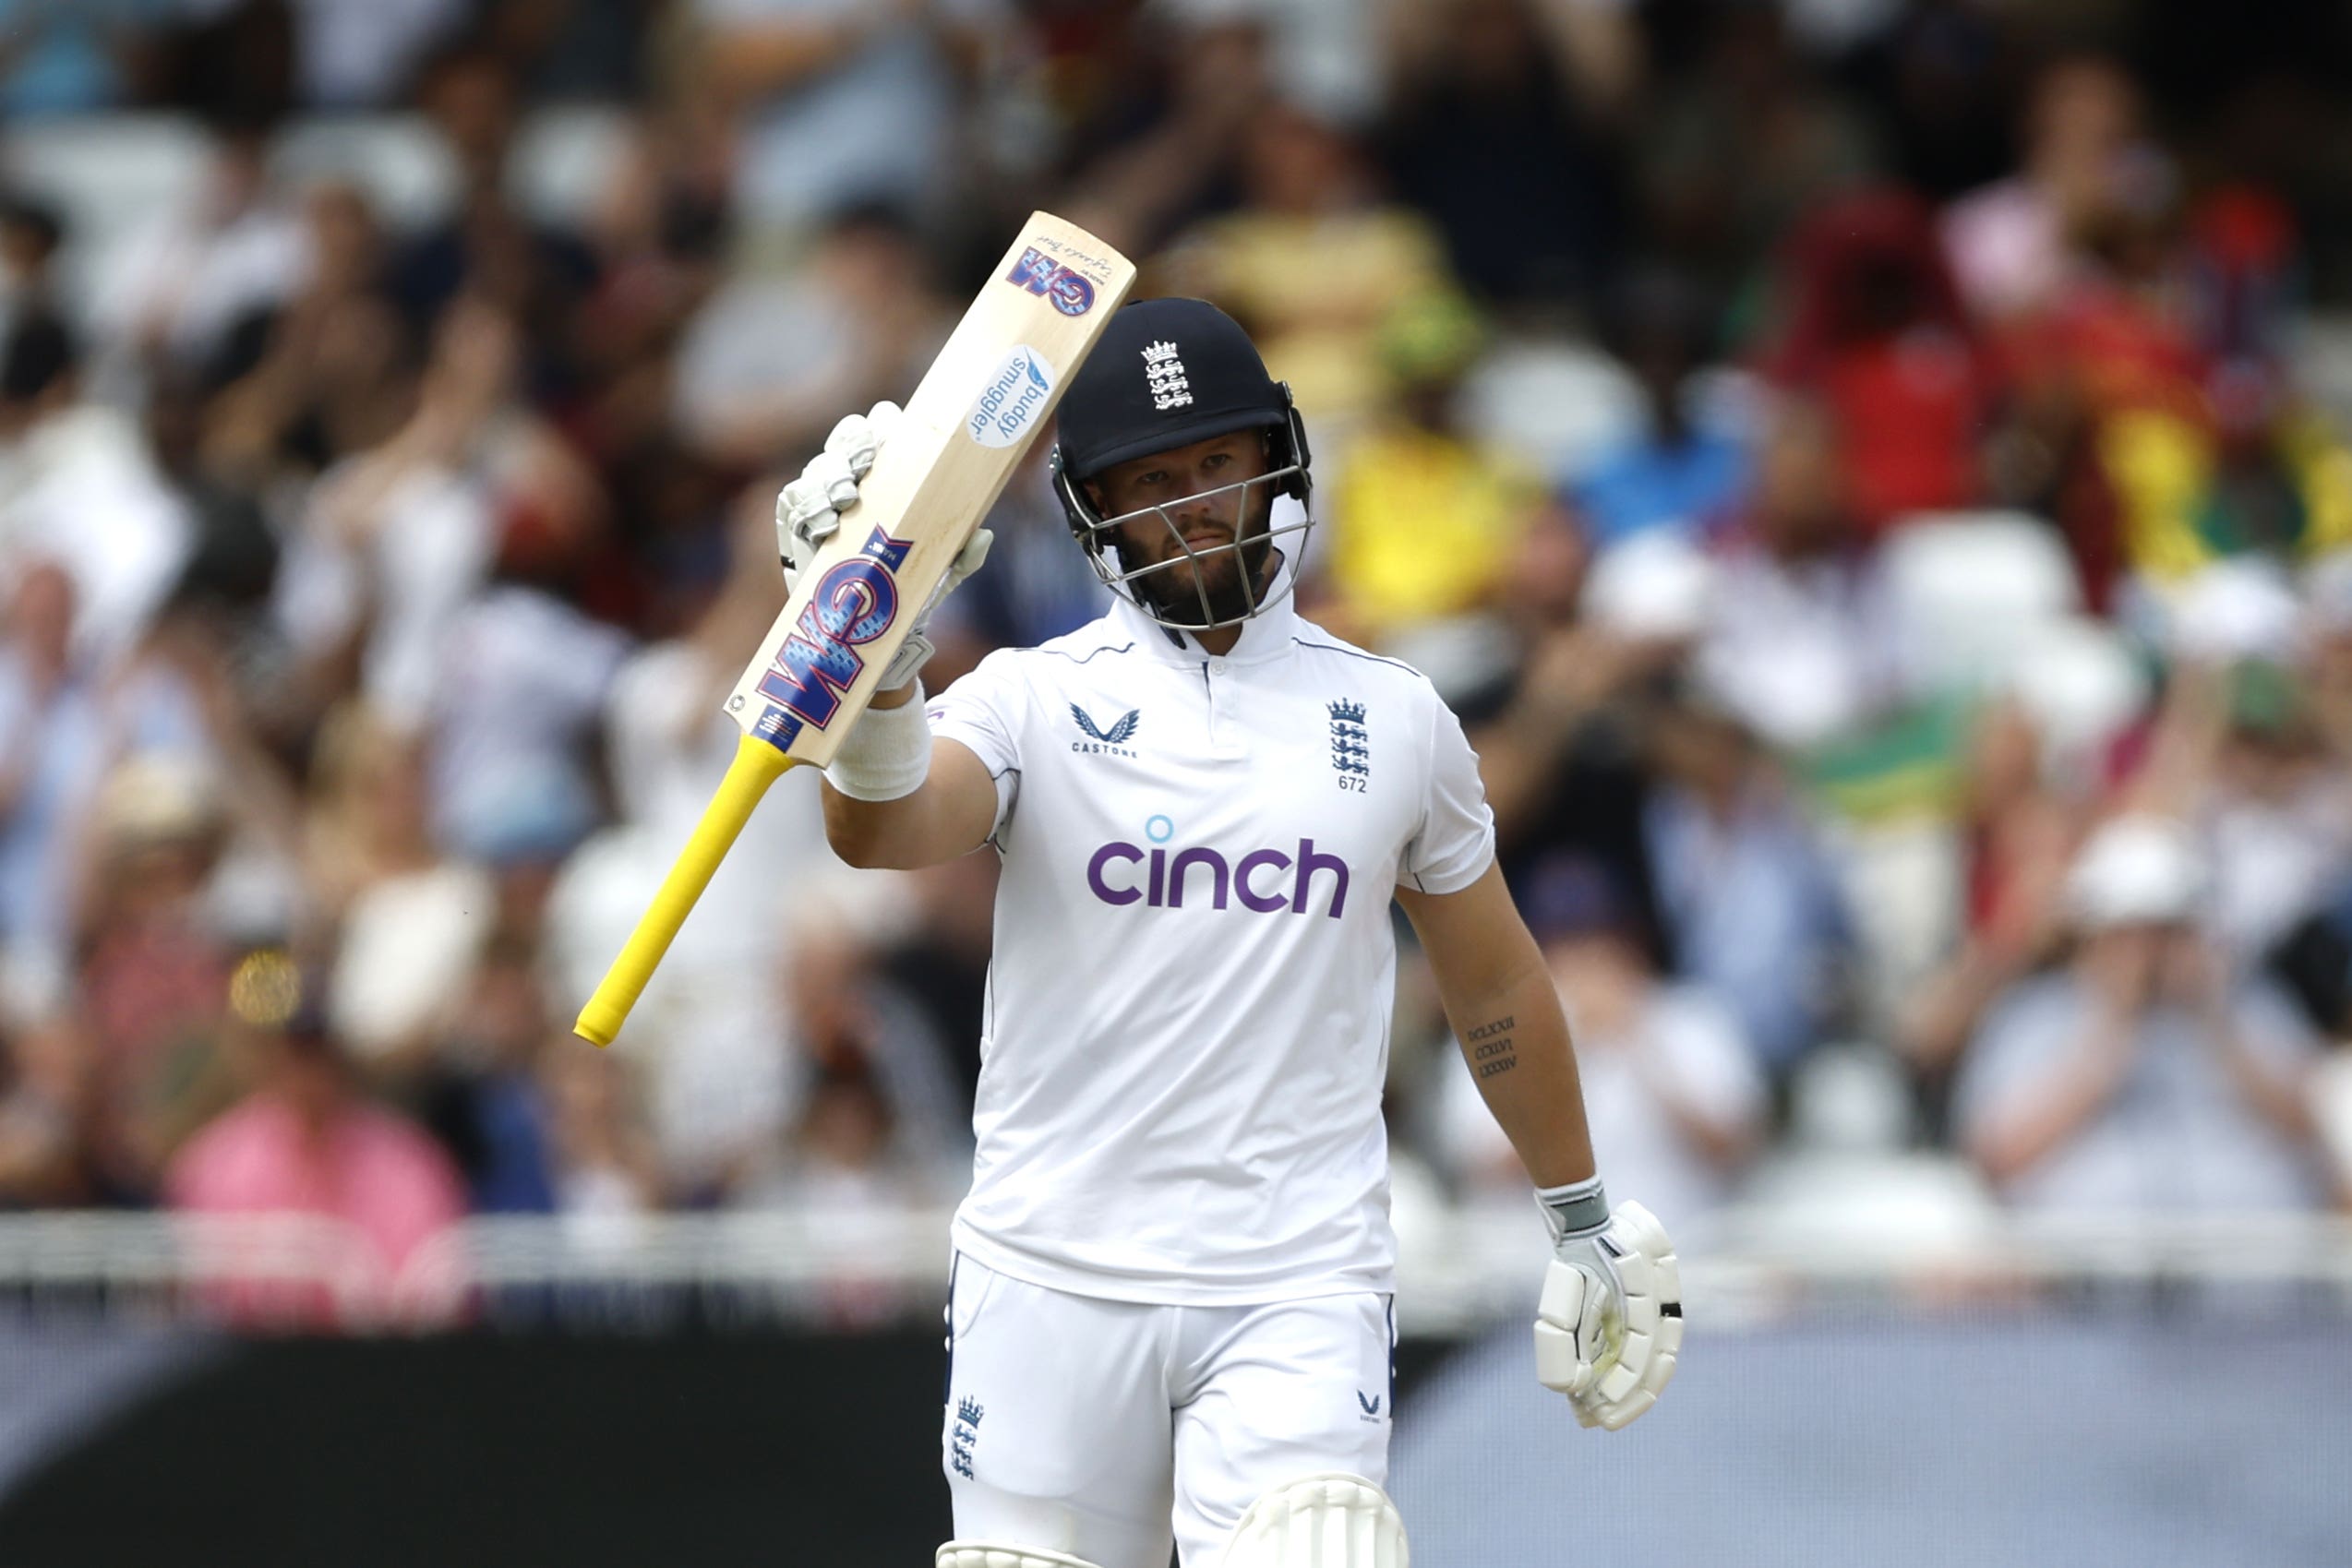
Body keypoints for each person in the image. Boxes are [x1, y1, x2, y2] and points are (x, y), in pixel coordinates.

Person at [774, 297, 1682, 1568]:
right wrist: (878, 674)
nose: (1192, 505)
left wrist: (1581, 1217)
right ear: (1092, 508)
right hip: (1051, 1273)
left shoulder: (1395, 718)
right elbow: (885, 830)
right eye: (1152, 481)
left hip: (1297, 1279)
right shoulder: (1032, 702)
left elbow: (1495, 983)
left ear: (1277, 464)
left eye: (1216, 464)